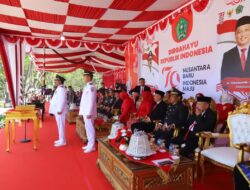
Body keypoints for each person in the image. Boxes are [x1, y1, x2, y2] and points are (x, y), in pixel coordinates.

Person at [221, 16, 250, 80]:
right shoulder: (227, 56)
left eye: (246, 30)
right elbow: (224, 81)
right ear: (235, 35)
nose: (243, 34)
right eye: (239, 32)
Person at [79, 71, 97, 153]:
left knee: (90, 129)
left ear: (89, 77)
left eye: (85, 76)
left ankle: (92, 146)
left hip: (88, 112)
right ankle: (90, 144)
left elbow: (91, 101)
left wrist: (89, 112)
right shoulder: (87, 86)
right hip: (85, 111)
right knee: (88, 128)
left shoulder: (91, 87)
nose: (84, 78)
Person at [49, 75, 67, 147]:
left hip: (60, 111)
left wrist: (60, 109)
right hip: (57, 110)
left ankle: (62, 141)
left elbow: (62, 100)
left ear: (60, 81)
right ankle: (61, 139)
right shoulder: (59, 88)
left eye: (56, 80)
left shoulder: (61, 89)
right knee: (59, 126)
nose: (55, 81)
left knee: (61, 126)